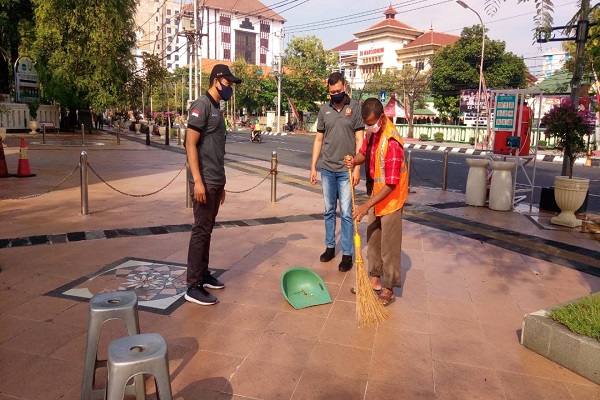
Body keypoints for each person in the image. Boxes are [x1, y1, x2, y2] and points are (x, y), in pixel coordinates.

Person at [184, 64, 242, 306]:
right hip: (204, 181)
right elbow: (190, 144)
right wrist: (198, 181)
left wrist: (222, 183)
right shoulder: (202, 106)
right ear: (216, 80)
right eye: (228, 83)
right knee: (201, 230)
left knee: (207, 229)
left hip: (215, 180)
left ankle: (204, 274)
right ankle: (193, 285)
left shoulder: (217, 108)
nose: (230, 88)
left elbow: (216, 149)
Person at [343, 98, 408, 307]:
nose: (369, 126)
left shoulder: (392, 142)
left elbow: (390, 184)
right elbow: (364, 153)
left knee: (389, 247)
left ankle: (389, 288)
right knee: (373, 240)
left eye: (372, 122)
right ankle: (375, 280)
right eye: (366, 123)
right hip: (377, 196)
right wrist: (354, 160)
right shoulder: (374, 133)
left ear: (381, 117)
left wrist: (365, 205)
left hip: (391, 200)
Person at [310, 72, 364, 272]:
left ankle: (347, 253)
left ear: (345, 87)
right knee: (328, 210)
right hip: (327, 169)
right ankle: (330, 247)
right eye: (332, 92)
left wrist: (358, 168)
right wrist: (313, 167)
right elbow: (318, 140)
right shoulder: (325, 110)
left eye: (339, 91)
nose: (336, 94)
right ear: (328, 91)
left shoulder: (355, 107)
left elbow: (360, 140)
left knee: (347, 214)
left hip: (346, 170)